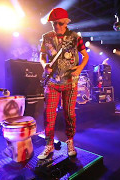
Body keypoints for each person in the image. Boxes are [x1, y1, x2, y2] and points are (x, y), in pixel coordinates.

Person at [38, 8, 89, 159]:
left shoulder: (74, 37)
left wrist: (79, 69)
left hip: (70, 82)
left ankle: (70, 141)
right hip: (52, 82)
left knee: (69, 113)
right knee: (49, 114)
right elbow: (41, 56)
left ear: (66, 23)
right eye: (54, 24)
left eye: (60, 23)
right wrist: (44, 65)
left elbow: (85, 56)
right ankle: (49, 145)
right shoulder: (46, 37)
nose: (57, 26)